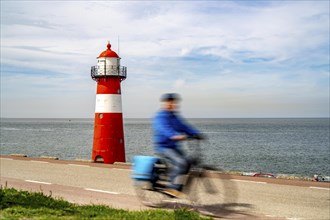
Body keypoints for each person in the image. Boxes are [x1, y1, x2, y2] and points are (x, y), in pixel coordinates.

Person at [152, 93, 203, 198]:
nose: (172, 104)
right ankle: (172, 188)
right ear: (165, 103)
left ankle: (178, 186)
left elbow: (185, 127)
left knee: (187, 163)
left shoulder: (175, 117)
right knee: (181, 162)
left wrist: (196, 134)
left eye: (173, 102)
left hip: (174, 147)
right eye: (169, 102)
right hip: (163, 147)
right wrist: (174, 135)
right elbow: (163, 128)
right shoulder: (160, 116)